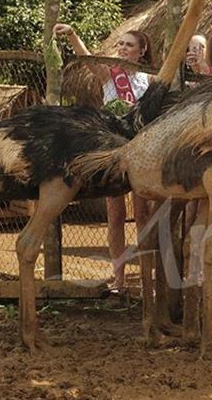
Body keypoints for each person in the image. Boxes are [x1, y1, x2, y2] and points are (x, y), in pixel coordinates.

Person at [53, 23, 152, 293]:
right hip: (113, 149)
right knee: (115, 213)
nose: (122, 48)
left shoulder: (149, 78)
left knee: (143, 214)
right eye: (120, 44)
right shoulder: (110, 75)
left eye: (129, 45)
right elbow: (87, 60)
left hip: (140, 148)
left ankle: (145, 277)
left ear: (141, 51)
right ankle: (119, 278)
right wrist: (74, 35)